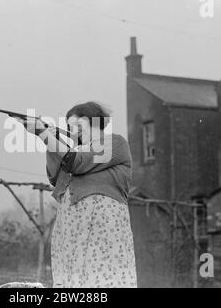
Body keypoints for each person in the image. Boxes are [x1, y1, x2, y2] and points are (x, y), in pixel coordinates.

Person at [17, 101, 137, 288]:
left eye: (79, 126)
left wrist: (44, 133)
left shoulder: (115, 143)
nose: (74, 131)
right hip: (70, 230)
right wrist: (48, 136)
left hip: (101, 229)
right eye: (70, 128)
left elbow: (77, 162)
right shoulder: (72, 151)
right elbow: (55, 175)